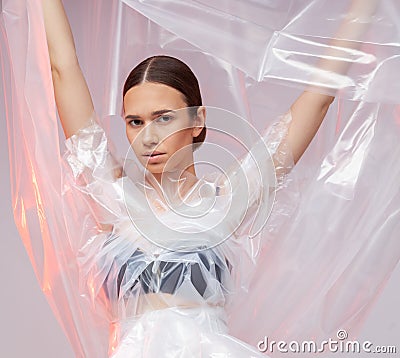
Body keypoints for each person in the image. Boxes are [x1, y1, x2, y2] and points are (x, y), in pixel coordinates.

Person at [5, 0, 398, 356]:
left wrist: (363, 7)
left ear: (198, 121)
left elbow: (318, 97)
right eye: (135, 122)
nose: (149, 136)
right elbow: (62, 68)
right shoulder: (114, 201)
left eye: (164, 117)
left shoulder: (227, 202)